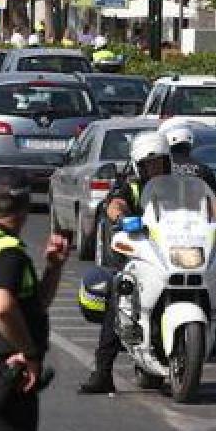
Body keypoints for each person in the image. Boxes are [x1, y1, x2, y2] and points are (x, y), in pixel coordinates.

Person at [0, 170, 70, 431]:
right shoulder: (7, 252)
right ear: (25, 207)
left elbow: (36, 303)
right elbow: (2, 305)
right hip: (4, 375)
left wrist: (53, 268)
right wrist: (28, 352)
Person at [78, 131, 173, 394]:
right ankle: (103, 371)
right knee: (118, 296)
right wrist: (119, 214)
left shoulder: (179, 186)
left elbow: (204, 204)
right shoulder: (128, 186)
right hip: (139, 257)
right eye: (149, 164)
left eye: (160, 163)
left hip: (172, 257)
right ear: (139, 166)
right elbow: (115, 203)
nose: (155, 169)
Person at [158, 122, 216, 359]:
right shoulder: (203, 169)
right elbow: (215, 204)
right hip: (197, 236)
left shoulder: (161, 168)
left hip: (168, 235)